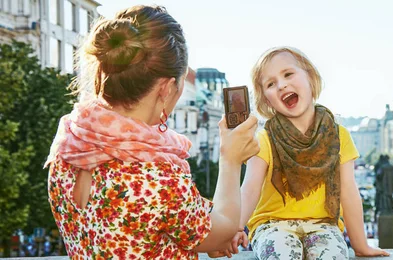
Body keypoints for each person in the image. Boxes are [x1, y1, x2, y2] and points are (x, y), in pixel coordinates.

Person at [45, 5, 259, 259]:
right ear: (167, 88)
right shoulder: (158, 176)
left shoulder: (69, 142)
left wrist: (207, 234)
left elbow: (186, 225)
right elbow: (220, 229)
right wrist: (231, 159)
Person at [214, 46, 390, 259]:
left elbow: (349, 192)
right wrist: (236, 227)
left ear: (310, 77)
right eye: (271, 84)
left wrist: (361, 245)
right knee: (282, 253)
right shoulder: (265, 138)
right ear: (266, 99)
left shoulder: (339, 136)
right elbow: (250, 188)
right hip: (272, 225)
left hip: (323, 226)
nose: (282, 85)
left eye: (288, 74)